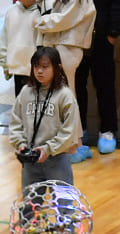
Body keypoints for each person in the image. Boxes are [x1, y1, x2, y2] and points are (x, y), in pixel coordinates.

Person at [33, 0, 96, 163]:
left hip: (67, 45)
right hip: (60, 43)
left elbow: (65, 18)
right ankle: (76, 143)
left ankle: (72, 147)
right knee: (66, 96)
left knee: (65, 97)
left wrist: (40, 22)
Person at [9, 47, 81, 189]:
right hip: (31, 160)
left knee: (63, 206)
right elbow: (15, 121)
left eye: (45, 67)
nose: (39, 71)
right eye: (36, 66)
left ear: (57, 67)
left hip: (57, 159)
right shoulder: (26, 92)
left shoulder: (65, 95)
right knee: (30, 207)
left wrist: (48, 149)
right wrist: (20, 144)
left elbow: (69, 130)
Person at [78, 0, 120, 156]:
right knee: (76, 83)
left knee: (104, 83)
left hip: (102, 34)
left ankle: (107, 130)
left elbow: (119, 3)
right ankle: (79, 130)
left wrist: (113, 33)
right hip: (75, 33)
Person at [0, 0, 42, 97]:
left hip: (36, 69)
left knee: (35, 101)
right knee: (20, 99)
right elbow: (4, 39)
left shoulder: (40, 13)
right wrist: (5, 64)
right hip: (17, 67)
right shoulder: (11, 11)